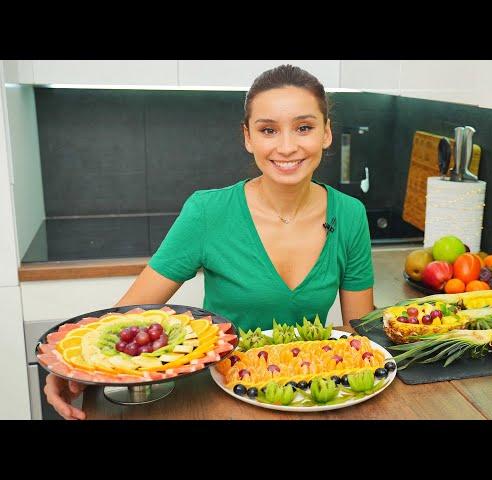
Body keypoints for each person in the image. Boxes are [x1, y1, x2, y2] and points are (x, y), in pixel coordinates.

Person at [44, 64, 375, 419]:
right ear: (248, 137)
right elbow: (129, 317)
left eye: (304, 127)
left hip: (313, 397)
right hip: (221, 400)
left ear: (326, 133)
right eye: (268, 130)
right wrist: (72, 366)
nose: (287, 146)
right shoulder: (207, 211)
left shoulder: (350, 214)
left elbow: (363, 339)